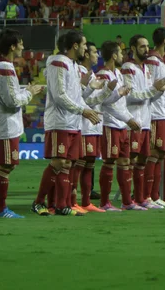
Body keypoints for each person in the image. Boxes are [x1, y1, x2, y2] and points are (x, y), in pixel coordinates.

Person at [32, 31, 101, 216]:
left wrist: (86, 105)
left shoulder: (71, 64)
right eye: (84, 44)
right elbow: (59, 95)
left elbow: (74, 95)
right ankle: (38, 202)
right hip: (59, 121)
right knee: (59, 161)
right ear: (75, 45)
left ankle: (62, 205)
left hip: (73, 122)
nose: (86, 48)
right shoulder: (58, 62)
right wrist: (83, 110)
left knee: (68, 164)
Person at [0, 29, 43, 218]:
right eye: (21, 43)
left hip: (4, 123)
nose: (23, 47)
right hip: (5, 124)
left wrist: (25, 90)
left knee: (8, 165)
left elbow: (9, 95)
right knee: (6, 166)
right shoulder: (6, 68)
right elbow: (12, 101)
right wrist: (30, 92)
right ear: (13, 46)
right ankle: (1, 209)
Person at [122, 35, 165, 209]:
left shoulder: (146, 70)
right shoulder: (128, 68)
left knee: (142, 160)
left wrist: (160, 90)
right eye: (142, 47)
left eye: (147, 46)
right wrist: (153, 89)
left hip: (145, 120)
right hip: (133, 120)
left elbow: (149, 96)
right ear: (133, 48)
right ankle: (127, 200)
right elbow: (130, 95)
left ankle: (142, 199)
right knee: (130, 160)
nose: (146, 49)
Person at [96, 41, 142, 211]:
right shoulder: (102, 75)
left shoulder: (118, 74)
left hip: (122, 124)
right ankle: (104, 202)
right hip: (110, 124)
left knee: (124, 161)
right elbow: (105, 101)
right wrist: (127, 117)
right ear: (114, 56)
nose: (123, 56)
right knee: (109, 162)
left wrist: (129, 119)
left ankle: (127, 201)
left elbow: (121, 103)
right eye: (120, 53)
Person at [73, 42, 114, 213]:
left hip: (95, 124)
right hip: (84, 124)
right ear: (87, 55)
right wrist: (91, 88)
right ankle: (72, 200)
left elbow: (97, 100)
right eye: (94, 52)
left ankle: (86, 201)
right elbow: (83, 100)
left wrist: (110, 92)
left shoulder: (93, 75)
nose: (98, 55)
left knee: (90, 163)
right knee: (80, 163)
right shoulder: (80, 73)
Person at [144, 27, 165, 207]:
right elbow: (150, 86)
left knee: (160, 154)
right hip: (155, 113)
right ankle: (147, 196)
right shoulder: (153, 62)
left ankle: (155, 197)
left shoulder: (161, 63)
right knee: (153, 154)